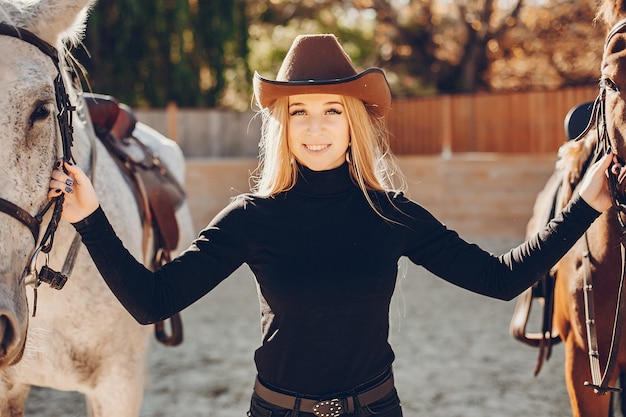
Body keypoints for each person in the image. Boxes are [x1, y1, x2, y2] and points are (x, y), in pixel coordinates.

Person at [49, 34, 613, 417]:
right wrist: (93, 219)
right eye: (299, 112)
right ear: (283, 126)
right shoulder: (252, 218)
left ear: (353, 124)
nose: (315, 129)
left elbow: (500, 278)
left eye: (332, 111)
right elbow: (154, 300)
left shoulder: (391, 213)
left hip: (376, 408)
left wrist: (584, 205)